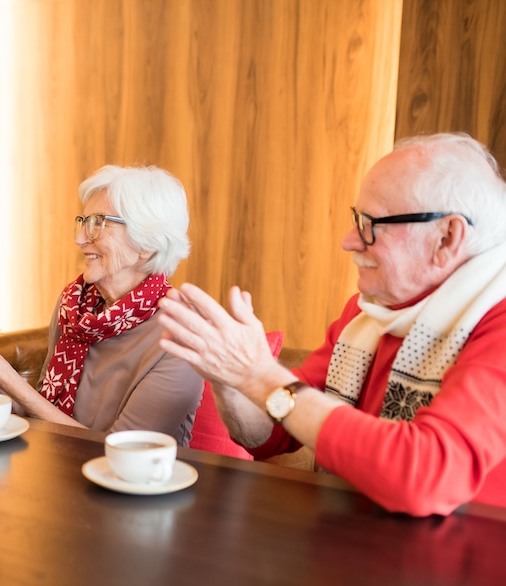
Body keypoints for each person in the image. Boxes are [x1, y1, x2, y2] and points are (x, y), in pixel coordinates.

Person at [156, 132, 506, 517]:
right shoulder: (366, 313)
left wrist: (258, 375)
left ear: (447, 237)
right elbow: (272, 432)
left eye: (370, 223)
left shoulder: (498, 325)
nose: (349, 240)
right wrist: (230, 379)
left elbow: (425, 475)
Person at [0, 165, 203, 443]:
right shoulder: (75, 307)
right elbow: (40, 413)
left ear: (147, 244)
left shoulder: (181, 338)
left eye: (99, 223)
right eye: (84, 222)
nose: (80, 238)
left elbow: (120, 454)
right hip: (53, 466)